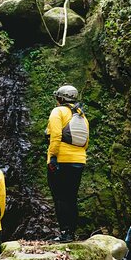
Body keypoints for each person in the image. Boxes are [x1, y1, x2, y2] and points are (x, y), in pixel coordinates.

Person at [46, 85, 89, 242]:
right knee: (71, 197)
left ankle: (65, 233)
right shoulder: (81, 115)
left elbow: (56, 136)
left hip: (61, 160)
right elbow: (85, 142)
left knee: (60, 197)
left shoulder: (58, 112)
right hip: (78, 161)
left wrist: (53, 157)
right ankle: (71, 232)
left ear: (60, 98)